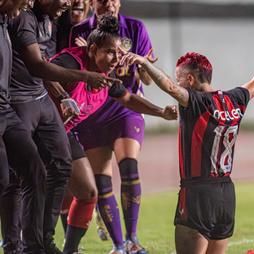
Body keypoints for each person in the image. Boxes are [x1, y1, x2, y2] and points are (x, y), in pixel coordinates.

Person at [127, 45, 254, 253]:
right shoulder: (234, 99)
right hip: (226, 195)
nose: (178, 84)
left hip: (197, 193)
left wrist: (145, 63)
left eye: (180, 79)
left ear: (191, 80)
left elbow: (170, 88)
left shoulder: (197, 102)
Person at [46, 14, 177, 254]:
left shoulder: (107, 77)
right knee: (41, 191)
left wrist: (162, 112)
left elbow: (127, 98)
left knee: (88, 192)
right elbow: (41, 71)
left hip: (62, 134)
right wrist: (61, 95)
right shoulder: (72, 62)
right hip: (40, 130)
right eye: (110, 52)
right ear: (93, 49)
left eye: (118, 54)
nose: (116, 59)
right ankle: (28, 242)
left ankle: (70, 250)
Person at [0, 1, 121, 253]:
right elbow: (36, 64)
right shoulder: (23, 18)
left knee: (59, 165)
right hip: (19, 101)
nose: (67, 3)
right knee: (15, 176)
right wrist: (84, 76)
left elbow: (40, 57)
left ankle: (42, 241)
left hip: (39, 98)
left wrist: (52, 84)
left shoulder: (48, 19)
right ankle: (14, 244)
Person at [69, 0, 156, 252]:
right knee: (102, 181)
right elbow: (73, 69)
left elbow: (148, 79)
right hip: (93, 112)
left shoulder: (136, 28)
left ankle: (133, 239)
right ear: (91, 3)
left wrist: (142, 63)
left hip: (125, 107)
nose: (109, 3)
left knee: (129, 166)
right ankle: (119, 246)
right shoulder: (80, 31)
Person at [0, 0, 48, 253]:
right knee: (3, 179)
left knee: (35, 171)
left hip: (5, 110)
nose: (29, 3)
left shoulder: (7, 21)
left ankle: (31, 248)